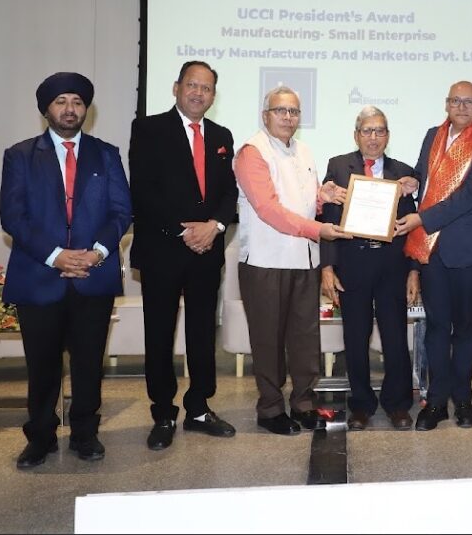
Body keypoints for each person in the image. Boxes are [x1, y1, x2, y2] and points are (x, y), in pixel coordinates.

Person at [0, 72, 131, 468]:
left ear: (86, 109)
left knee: (89, 364)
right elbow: (13, 216)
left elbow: (121, 211)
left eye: (77, 101)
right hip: (39, 277)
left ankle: (85, 434)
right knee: (42, 366)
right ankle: (40, 438)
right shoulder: (20, 155)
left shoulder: (106, 154)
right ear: (46, 109)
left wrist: (97, 252)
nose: (70, 109)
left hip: (93, 275)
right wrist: (55, 255)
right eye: (61, 101)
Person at [129, 60, 239, 451]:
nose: (198, 93)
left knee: (202, 332)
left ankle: (199, 408)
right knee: (159, 333)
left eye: (206, 88)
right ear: (176, 87)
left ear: (213, 95)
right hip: (162, 249)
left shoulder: (222, 135)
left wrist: (215, 226)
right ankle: (163, 412)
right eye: (192, 85)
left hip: (207, 252)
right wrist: (185, 230)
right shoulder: (148, 129)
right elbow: (143, 190)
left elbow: (229, 192)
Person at [234, 85, 350, 435]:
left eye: (294, 111)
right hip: (265, 261)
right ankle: (270, 408)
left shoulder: (304, 150)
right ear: (265, 115)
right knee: (268, 339)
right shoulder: (252, 152)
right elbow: (269, 209)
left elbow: (302, 199)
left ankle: (303, 403)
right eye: (280, 110)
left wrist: (322, 196)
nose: (288, 117)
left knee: (305, 338)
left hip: (305, 259)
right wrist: (318, 229)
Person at [394, 81, 472, 431]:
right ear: (446, 104)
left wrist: (422, 219)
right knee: (437, 327)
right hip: (431, 249)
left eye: (469, 102)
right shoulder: (433, 136)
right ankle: (437, 401)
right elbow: (425, 178)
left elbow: (469, 195)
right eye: (456, 100)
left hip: (465, 249)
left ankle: (464, 400)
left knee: (464, 327)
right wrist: (412, 181)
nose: (461, 107)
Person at [319, 106, 419, 431]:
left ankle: (397, 404)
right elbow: (328, 218)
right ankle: (361, 405)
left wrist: (414, 270)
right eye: (367, 131)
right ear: (356, 135)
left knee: (395, 337)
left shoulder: (403, 172)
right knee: (355, 337)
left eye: (379, 131)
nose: (373, 137)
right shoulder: (338, 166)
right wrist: (327, 267)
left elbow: (413, 227)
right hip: (353, 264)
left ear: (388, 136)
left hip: (392, 265)